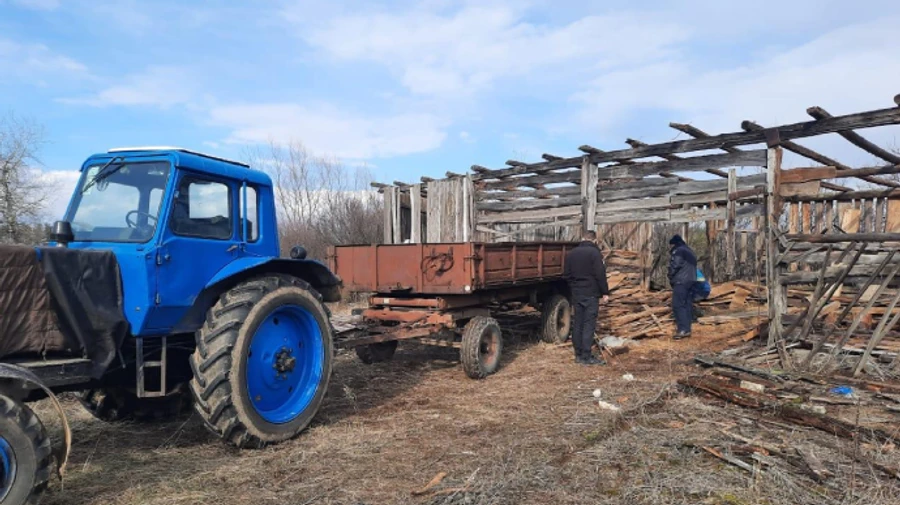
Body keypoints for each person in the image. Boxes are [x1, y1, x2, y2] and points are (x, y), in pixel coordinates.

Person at [563, 230, 610, 365]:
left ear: (582, 238)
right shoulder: (595, 253)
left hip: (577, 293)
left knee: (578, 323)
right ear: (594, 240)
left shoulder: (572, 253)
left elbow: (567, 274)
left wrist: (574, 287)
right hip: (591, 293)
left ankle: (578, 355)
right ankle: (586, 356)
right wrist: (605, 293)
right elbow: (600, 274)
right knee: (589, 324)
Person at [668, 234, 697, 340]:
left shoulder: (678, 251)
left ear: (673, 244)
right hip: (691, 280)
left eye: (670, 246)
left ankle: (682, 330)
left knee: (678, 305)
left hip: (681, 281)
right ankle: (687, 328)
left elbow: (675, 265)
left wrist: (670, 275)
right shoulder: (689, 251)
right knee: (687, 304)